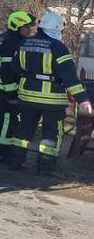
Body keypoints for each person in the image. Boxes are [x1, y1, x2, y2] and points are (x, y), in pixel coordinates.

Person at [11, 10, 93, 176]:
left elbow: (14, 68)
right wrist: (83, 100)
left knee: (24, 130)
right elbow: (70, 78)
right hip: (52, 100)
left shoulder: (24, 43)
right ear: (57, 29)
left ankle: (15, 162)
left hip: (27, 96)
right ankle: (45, 168)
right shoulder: (58, 47)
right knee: (50, 134)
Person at [0, 11, 35, 167]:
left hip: (1, 85)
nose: (29, 30)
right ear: (17, 25)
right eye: (26, 26)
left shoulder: (10, 38)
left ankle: (2, 150)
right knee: (7, 119)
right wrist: (11, 94)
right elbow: (7, 70)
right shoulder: (11, 41)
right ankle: (1, 153)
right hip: (5, 87)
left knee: (7, 119)